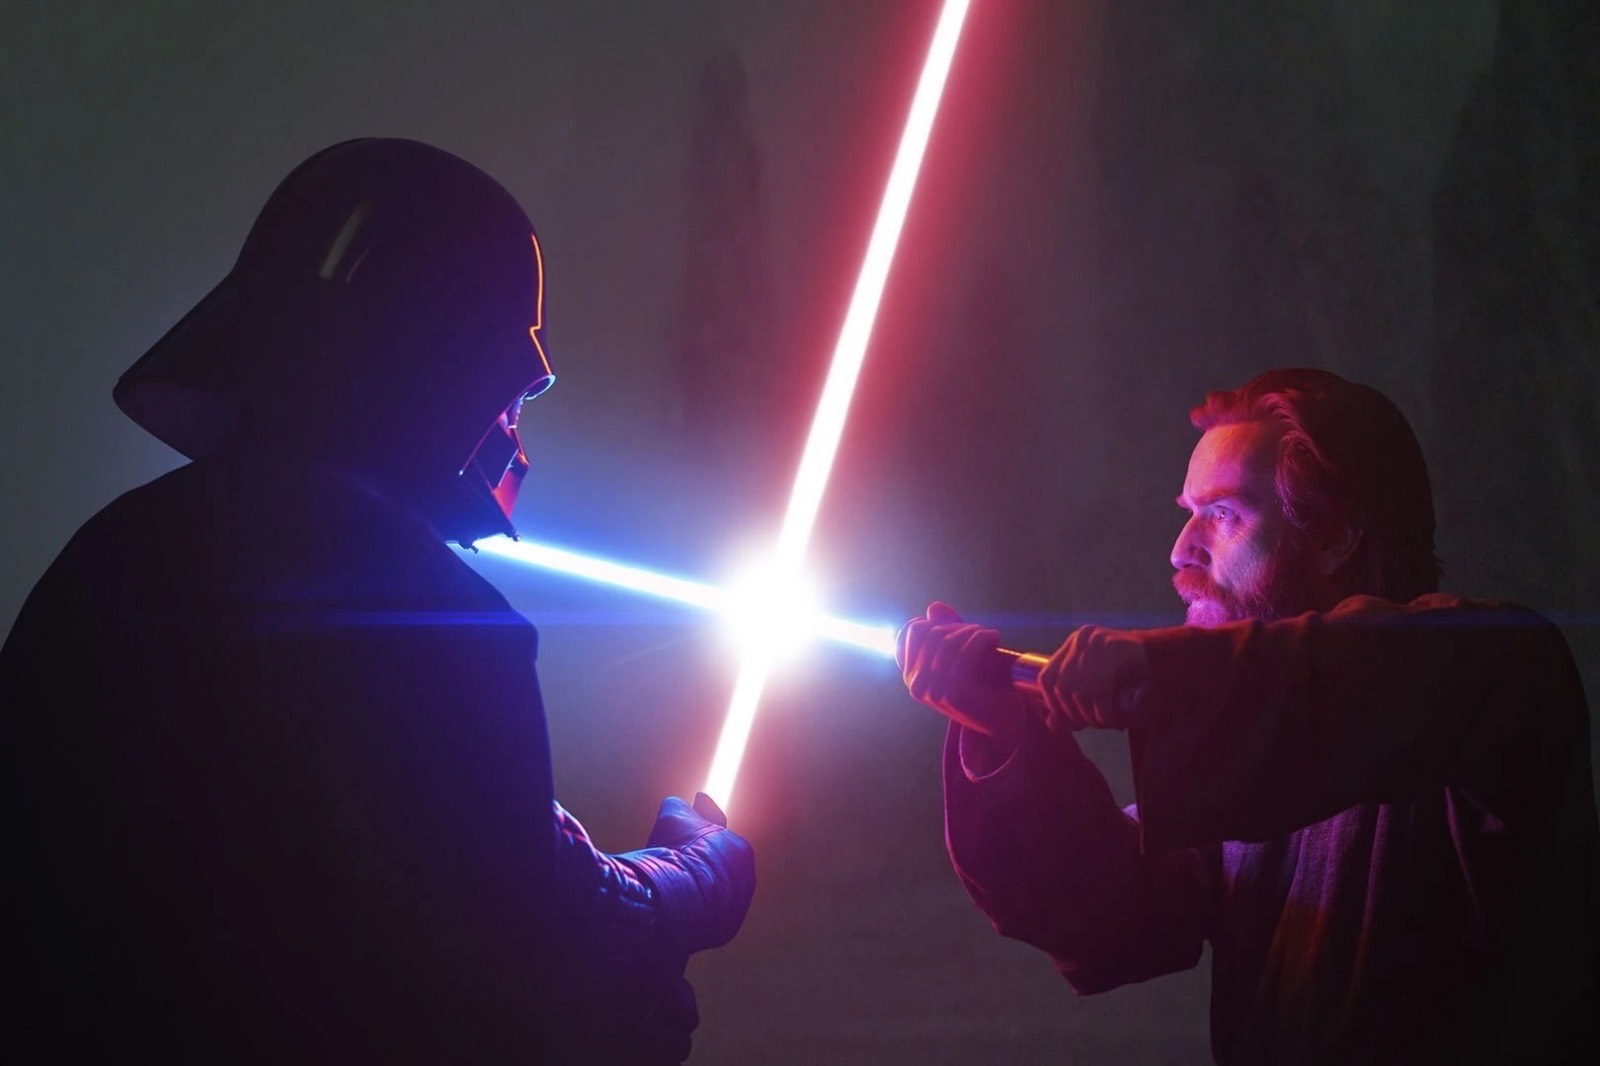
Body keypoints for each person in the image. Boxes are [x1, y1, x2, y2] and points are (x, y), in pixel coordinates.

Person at [0, 138, 754, 1063]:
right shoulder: (434, 616)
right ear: (452, 374)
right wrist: (690, 881)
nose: (511, 430)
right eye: (511, 398)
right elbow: (532, 922)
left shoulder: (113, 557)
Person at [897, 368, 1599, 1065]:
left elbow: (1349, 678)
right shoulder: (1253, 767)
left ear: (1334, 534)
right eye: (1187, 512)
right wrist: (1005, 736)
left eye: (1224, 514)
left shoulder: (1495, 665)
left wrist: (1152, 670)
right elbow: (1105, 913)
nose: (1181, 550)